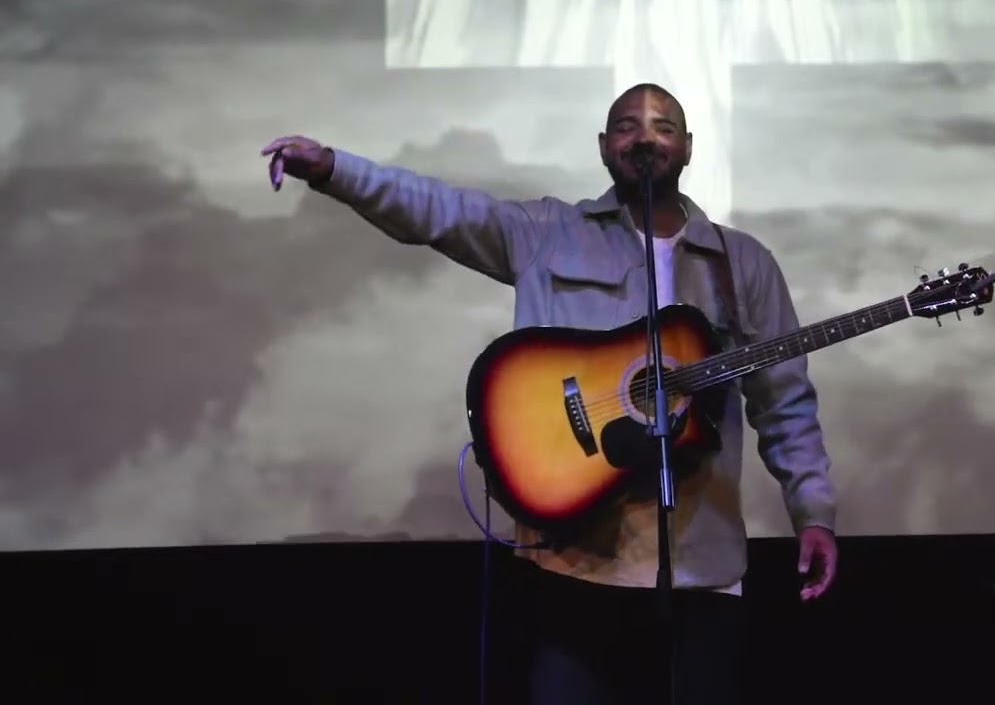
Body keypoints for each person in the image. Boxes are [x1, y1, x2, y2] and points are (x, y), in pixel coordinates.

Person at [261, 83, 839, 704]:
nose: (644, 137)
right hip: (575, 564)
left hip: (703, 569)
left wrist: (814, 512)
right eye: (626, 126)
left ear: (689, 147)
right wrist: (332, 169)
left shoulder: (743, 263)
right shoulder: (548, 232)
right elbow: (442, 212)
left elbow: (785, 403)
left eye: (663, 126)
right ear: (603, 147)